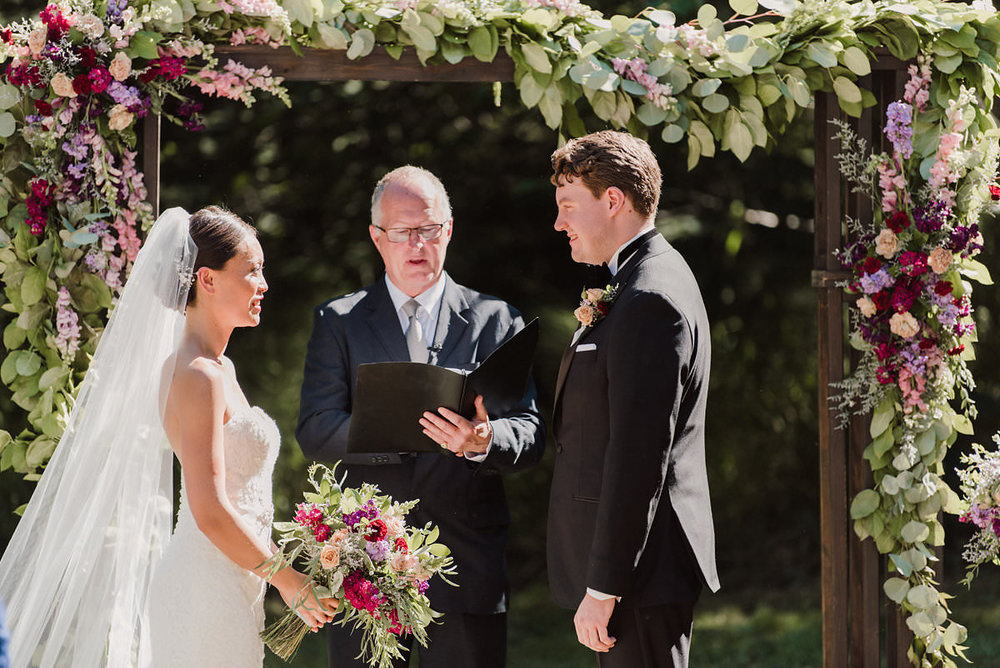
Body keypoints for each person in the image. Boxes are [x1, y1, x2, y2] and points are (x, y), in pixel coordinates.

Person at [0, 207, 334, 668]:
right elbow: (210, 508)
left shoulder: (220, 369)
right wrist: (287, 579)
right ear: (208, 279)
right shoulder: (198, 376)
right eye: (252, 269)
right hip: (205, 588)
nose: (264, 283)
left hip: (235, 585)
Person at [297, 165, 545, 668]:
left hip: (465, 562)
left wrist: (482, 439)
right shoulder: (339, 321)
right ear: (377, 237)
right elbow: (315, 428)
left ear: (448, 230)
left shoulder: (497, 320)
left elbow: (531, 430)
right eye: (402, 232)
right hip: (363, 561)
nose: (417, 244)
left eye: (429, 229)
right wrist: (393, 431)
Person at [545, 131, 720, 668]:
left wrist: (604, 586)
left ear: (613, 200)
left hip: (640, 576)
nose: (560, 223)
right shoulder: (640, 280)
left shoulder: (649, 298)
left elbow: (640, 454)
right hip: (637, 574)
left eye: (568, 206)